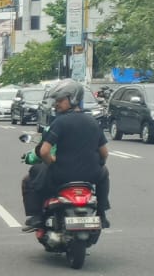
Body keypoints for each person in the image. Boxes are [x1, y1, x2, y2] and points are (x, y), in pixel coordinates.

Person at [22, 79, 110, 228]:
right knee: (105, 173)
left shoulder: (60, 122)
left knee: (29, 178)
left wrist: (51, 163)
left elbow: (44, 151)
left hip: (62, 175)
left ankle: (36, 216)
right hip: (91, 175)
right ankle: (101, 213)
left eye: (61, 100)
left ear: (73, 98)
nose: (57, 103)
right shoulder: (93, 122)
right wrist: (97, 165)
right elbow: (104, 153)